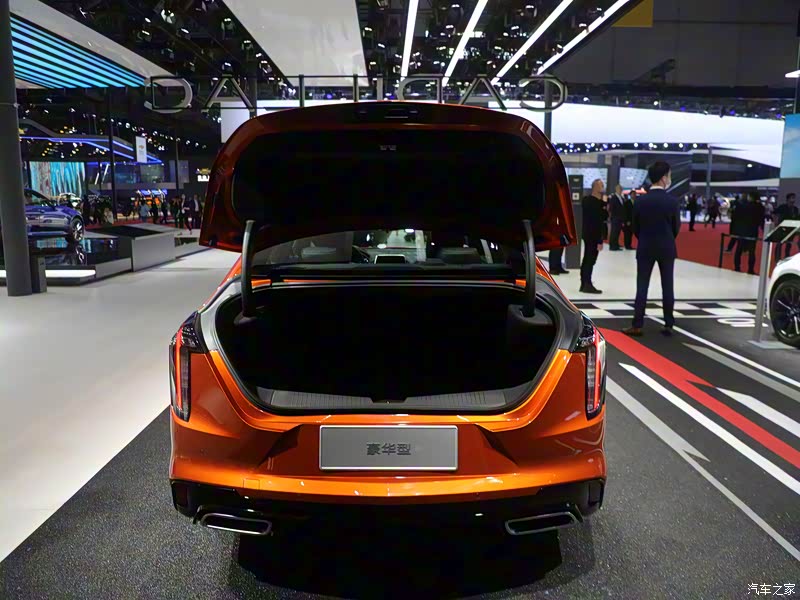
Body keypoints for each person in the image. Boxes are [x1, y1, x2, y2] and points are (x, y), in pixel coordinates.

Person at [623, 161, 680, 337]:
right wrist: (667, 238)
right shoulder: (672, 201)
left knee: (642, 286)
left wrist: (644, 238)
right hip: (666, 247)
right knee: (667, 285)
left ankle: (637, 324)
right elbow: (676, 227)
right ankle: (668, 323)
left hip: (646, 246)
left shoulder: (641, 201)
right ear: (663, 178)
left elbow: (635, 226)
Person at [580, 179, 607, 294]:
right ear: (595, 187)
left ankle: (585, 282)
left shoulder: (590, 201)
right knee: (590, 259)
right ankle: (586, 283)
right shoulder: (593, 202)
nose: (603, 186)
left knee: (588, 258)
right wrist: (600, 239)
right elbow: (600, 218)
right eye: (601, 185)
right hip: (593, 234)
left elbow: (604, 216)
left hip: (589, 234)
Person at [733, 193, 765, 274]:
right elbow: (761, 219)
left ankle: (737, 267)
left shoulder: (743, 205)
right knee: (752, 251)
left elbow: (736, 217)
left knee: (739, 249)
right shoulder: (760, 207)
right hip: (753, 231)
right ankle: (750, 269)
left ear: (750, 197)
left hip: (742, 230)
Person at [774, 193, 799, 260]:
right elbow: (775, 213)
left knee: (789, 244)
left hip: (791, 229)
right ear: (788, 199)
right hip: (782, 228)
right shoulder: (782, 207)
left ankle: (787, 257)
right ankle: (777, 258)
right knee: (779, 244)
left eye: (794, 198)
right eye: (792, 198)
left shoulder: (795, 209)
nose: (793, 199)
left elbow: (797, 218)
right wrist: (776, 222)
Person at [608, 184, 624, 251]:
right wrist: (611, 217)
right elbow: (611, 208)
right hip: (615, 217)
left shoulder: (622, 198)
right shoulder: (613, 198)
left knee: (617, 232)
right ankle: (612, 246)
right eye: (619, 189)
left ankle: (616, 244)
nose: (620, 190)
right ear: (616, 189)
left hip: (620, 218)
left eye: (621, 189)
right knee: (614, 232)